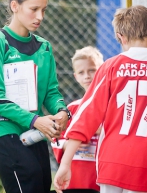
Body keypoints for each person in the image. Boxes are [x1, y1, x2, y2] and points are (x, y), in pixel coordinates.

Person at [0, 0, 71, 193]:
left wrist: (62, 111)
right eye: (34, 9)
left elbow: (51, 92)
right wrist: (35, 120)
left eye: (44, 10)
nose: (40, 17)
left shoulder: (44, 47)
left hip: (36, 136)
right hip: (7, 137)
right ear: (15, 6)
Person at [54, 5, 147, 193]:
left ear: (121, 37)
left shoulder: (110, 67)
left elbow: (86, 117)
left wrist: (65, 163)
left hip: (114, 161)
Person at [51, 46, 104, 193]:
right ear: (76, 76)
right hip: (76, 179)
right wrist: (66, 144)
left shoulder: (112, 107)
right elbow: (56, 138)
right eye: (81, 72)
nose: (86, 76)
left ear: (102, 71)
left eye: (92, 70)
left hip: (101, 178)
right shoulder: (72, 109)